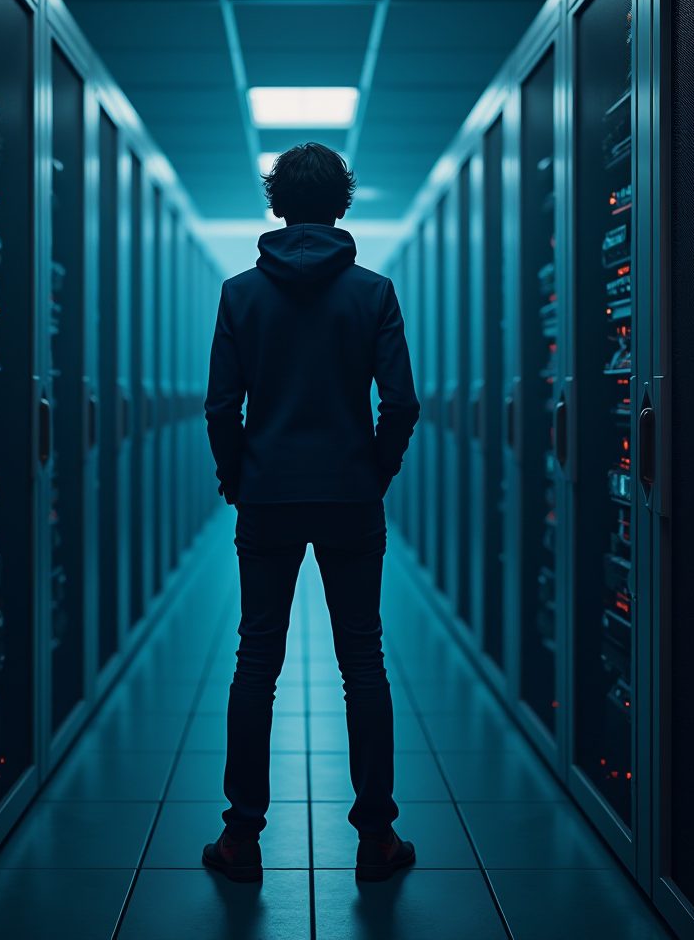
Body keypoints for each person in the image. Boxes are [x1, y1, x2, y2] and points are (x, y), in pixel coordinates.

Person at [201, 143, 420, 884]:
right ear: (342, 203)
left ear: (277, 203)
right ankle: (376, 838)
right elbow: (403, 404)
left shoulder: (239, 294)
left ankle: (241, 837)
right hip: (350, 496)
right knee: (363, 663)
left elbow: (221, 406)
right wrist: (374, 472)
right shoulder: (374, 292)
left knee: (255, 662)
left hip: (267, 494)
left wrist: (238, 475)